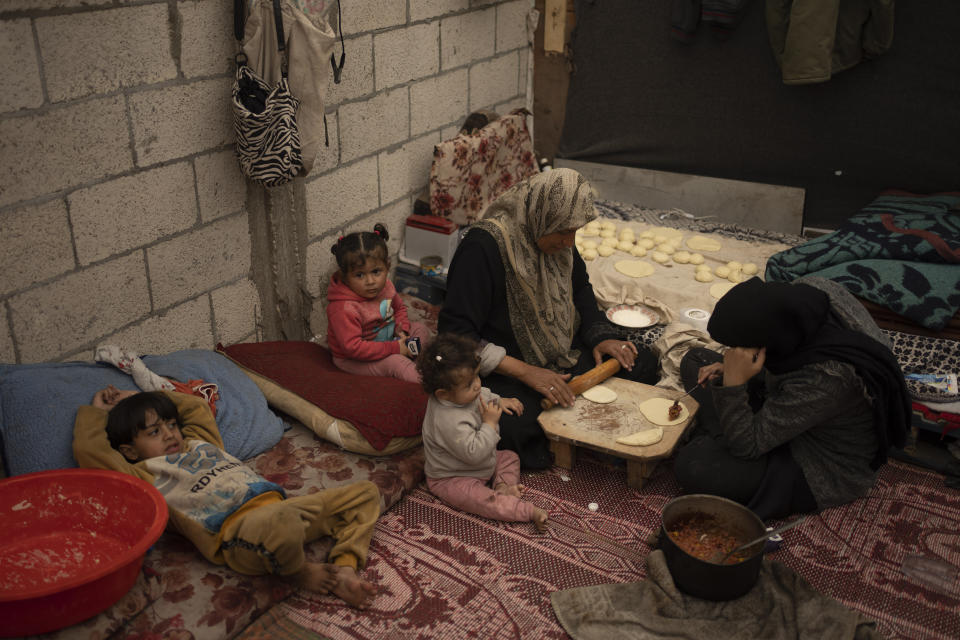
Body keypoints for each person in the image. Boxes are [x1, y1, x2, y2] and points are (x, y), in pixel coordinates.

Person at [73, 386, 381, 608]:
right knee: (283, 522)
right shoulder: (142, 475)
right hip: (235, 533)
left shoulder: (199, 442)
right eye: (154, 432)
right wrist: (98, 413)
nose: (169, 434)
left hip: (281, 508)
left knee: (366, 494)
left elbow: (195, 407)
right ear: (128, 450)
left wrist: (136, 397)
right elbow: (91, 451)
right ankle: (297, 572)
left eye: (170, 425)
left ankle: (344, 566)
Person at [439, 168, 659, 469]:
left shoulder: (557, 237)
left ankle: (568, 418)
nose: (570, 241)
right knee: (514, 429)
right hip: (510, 369)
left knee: (640, 359)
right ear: (540, 215)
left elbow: (580, 288)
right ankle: (573, 420)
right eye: (563, 231)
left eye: (575, 231)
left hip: (561, 356)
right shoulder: (482, 248)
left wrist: (600, 336)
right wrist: (527, 372)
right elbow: (454, 335)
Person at [673, 276, 911, 520]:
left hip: (815, 459)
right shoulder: (807, 299)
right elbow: (784, 356)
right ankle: (726, 432)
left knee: (694, 465)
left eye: (741, 347)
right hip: (794, 408)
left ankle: (724, 435)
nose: (735, 352)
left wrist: (734, 384)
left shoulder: (827, 376)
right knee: (696, 360)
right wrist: (730, 366)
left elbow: (747, 447)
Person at [417, 333, 549, 532]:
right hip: (453, 477)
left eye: (477, 375)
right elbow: (473, 454)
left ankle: (503, 488)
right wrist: (489, 424)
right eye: (470, 384)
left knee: (510, 457)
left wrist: (499, 399)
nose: (477, 384)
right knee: (484, 501)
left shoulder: (462, 394)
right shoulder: (447, 421)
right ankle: (527, 511)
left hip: (481, 463)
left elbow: (483, 394)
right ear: (443, 394)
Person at [326, 223, 431, 383]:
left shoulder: (386, 286)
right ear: (345, 277)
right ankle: (428, 383)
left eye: (376, 272)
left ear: (387, 267)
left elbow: (399, 308)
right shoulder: (343, 308)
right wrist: (395, 348)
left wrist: (402, 329)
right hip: (355, 359)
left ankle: (415, 364)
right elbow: (353, 348)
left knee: (420, 329)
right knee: (396, 363)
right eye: (359, 275)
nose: (370, 281)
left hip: (388, 342)